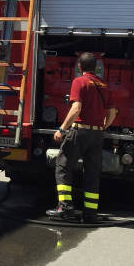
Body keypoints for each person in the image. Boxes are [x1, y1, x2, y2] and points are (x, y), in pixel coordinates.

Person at [47, 52, 118, 223]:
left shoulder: (79, 82)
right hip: (97, 135)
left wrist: (62, 129)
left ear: (79, 66)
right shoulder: (104, 85)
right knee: (92, 173)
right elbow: (112, 113)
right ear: (96, 67)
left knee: (63, 166)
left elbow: (76, 108)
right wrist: (102, 126)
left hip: (80, 132)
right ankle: (90, 213)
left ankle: (65, 207)